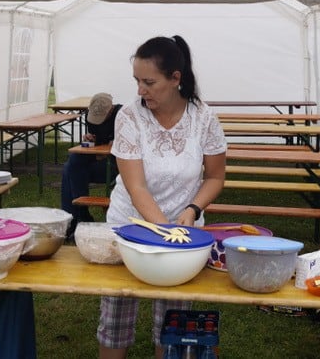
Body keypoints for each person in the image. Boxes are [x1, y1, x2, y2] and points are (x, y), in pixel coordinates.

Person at [98, 35, 227, 359]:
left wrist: (193, 209)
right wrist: (167, 232)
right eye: (137, 81)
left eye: (149, 82)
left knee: (173, 326)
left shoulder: (204, 118)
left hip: (183, 233)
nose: (140, 90)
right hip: (130, 227)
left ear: (175, 79)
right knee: (116, 320)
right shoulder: (129, 117)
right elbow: (136, 187)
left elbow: (215, 177)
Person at [61, 92, 122, 238]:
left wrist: (115, 144)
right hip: (98, 161)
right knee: (73, 162)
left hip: (117, 167)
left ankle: (75, 218)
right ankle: (78, 216)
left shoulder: (123, 116)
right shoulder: (91, 118)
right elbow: (97, 142)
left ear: (111, 110)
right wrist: (90, 139)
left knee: (70, 169)